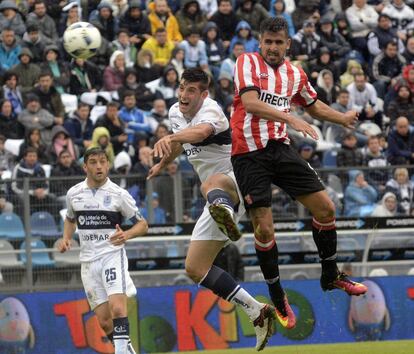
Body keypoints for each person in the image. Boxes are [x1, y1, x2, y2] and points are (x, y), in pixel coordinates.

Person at [230, 17, 368, 329]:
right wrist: (290, 119)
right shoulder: (247, 62)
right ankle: (277, 295)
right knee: (264, 229)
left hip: (279, 148)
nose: (273, 48)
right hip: (248, 152)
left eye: (279, 43)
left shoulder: (294, 73)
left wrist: (342, 118)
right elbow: (251, 103)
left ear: (288, 44)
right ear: (260, 41)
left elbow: (314, 105)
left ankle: (330, 274)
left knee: (326, 208)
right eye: (268, 42)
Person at [148, 68, 281, 351]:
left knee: (209, 183)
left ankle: (225, 209)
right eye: (182, 88)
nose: (184, 95)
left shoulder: (212, 111)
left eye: (191, 90)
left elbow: (201, 132)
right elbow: (182, 139)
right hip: (216, 196)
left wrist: (172, 139)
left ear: (204, 94)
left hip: (239, 179)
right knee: (195, 267)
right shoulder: (174, 112)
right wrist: (163, 162)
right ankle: (256, 310)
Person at [58, 147, 148, 354]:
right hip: (88, 262)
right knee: (105, 322)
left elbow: (142, 225)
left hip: (111, 255)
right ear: (85, 166)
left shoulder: (118, 194)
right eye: (93, 162)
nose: (98, 166)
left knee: (118, 309)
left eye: (102, 161)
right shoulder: (74, 194)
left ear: (108, 164)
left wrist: (126, 235)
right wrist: (66, 239)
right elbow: (71, 220)